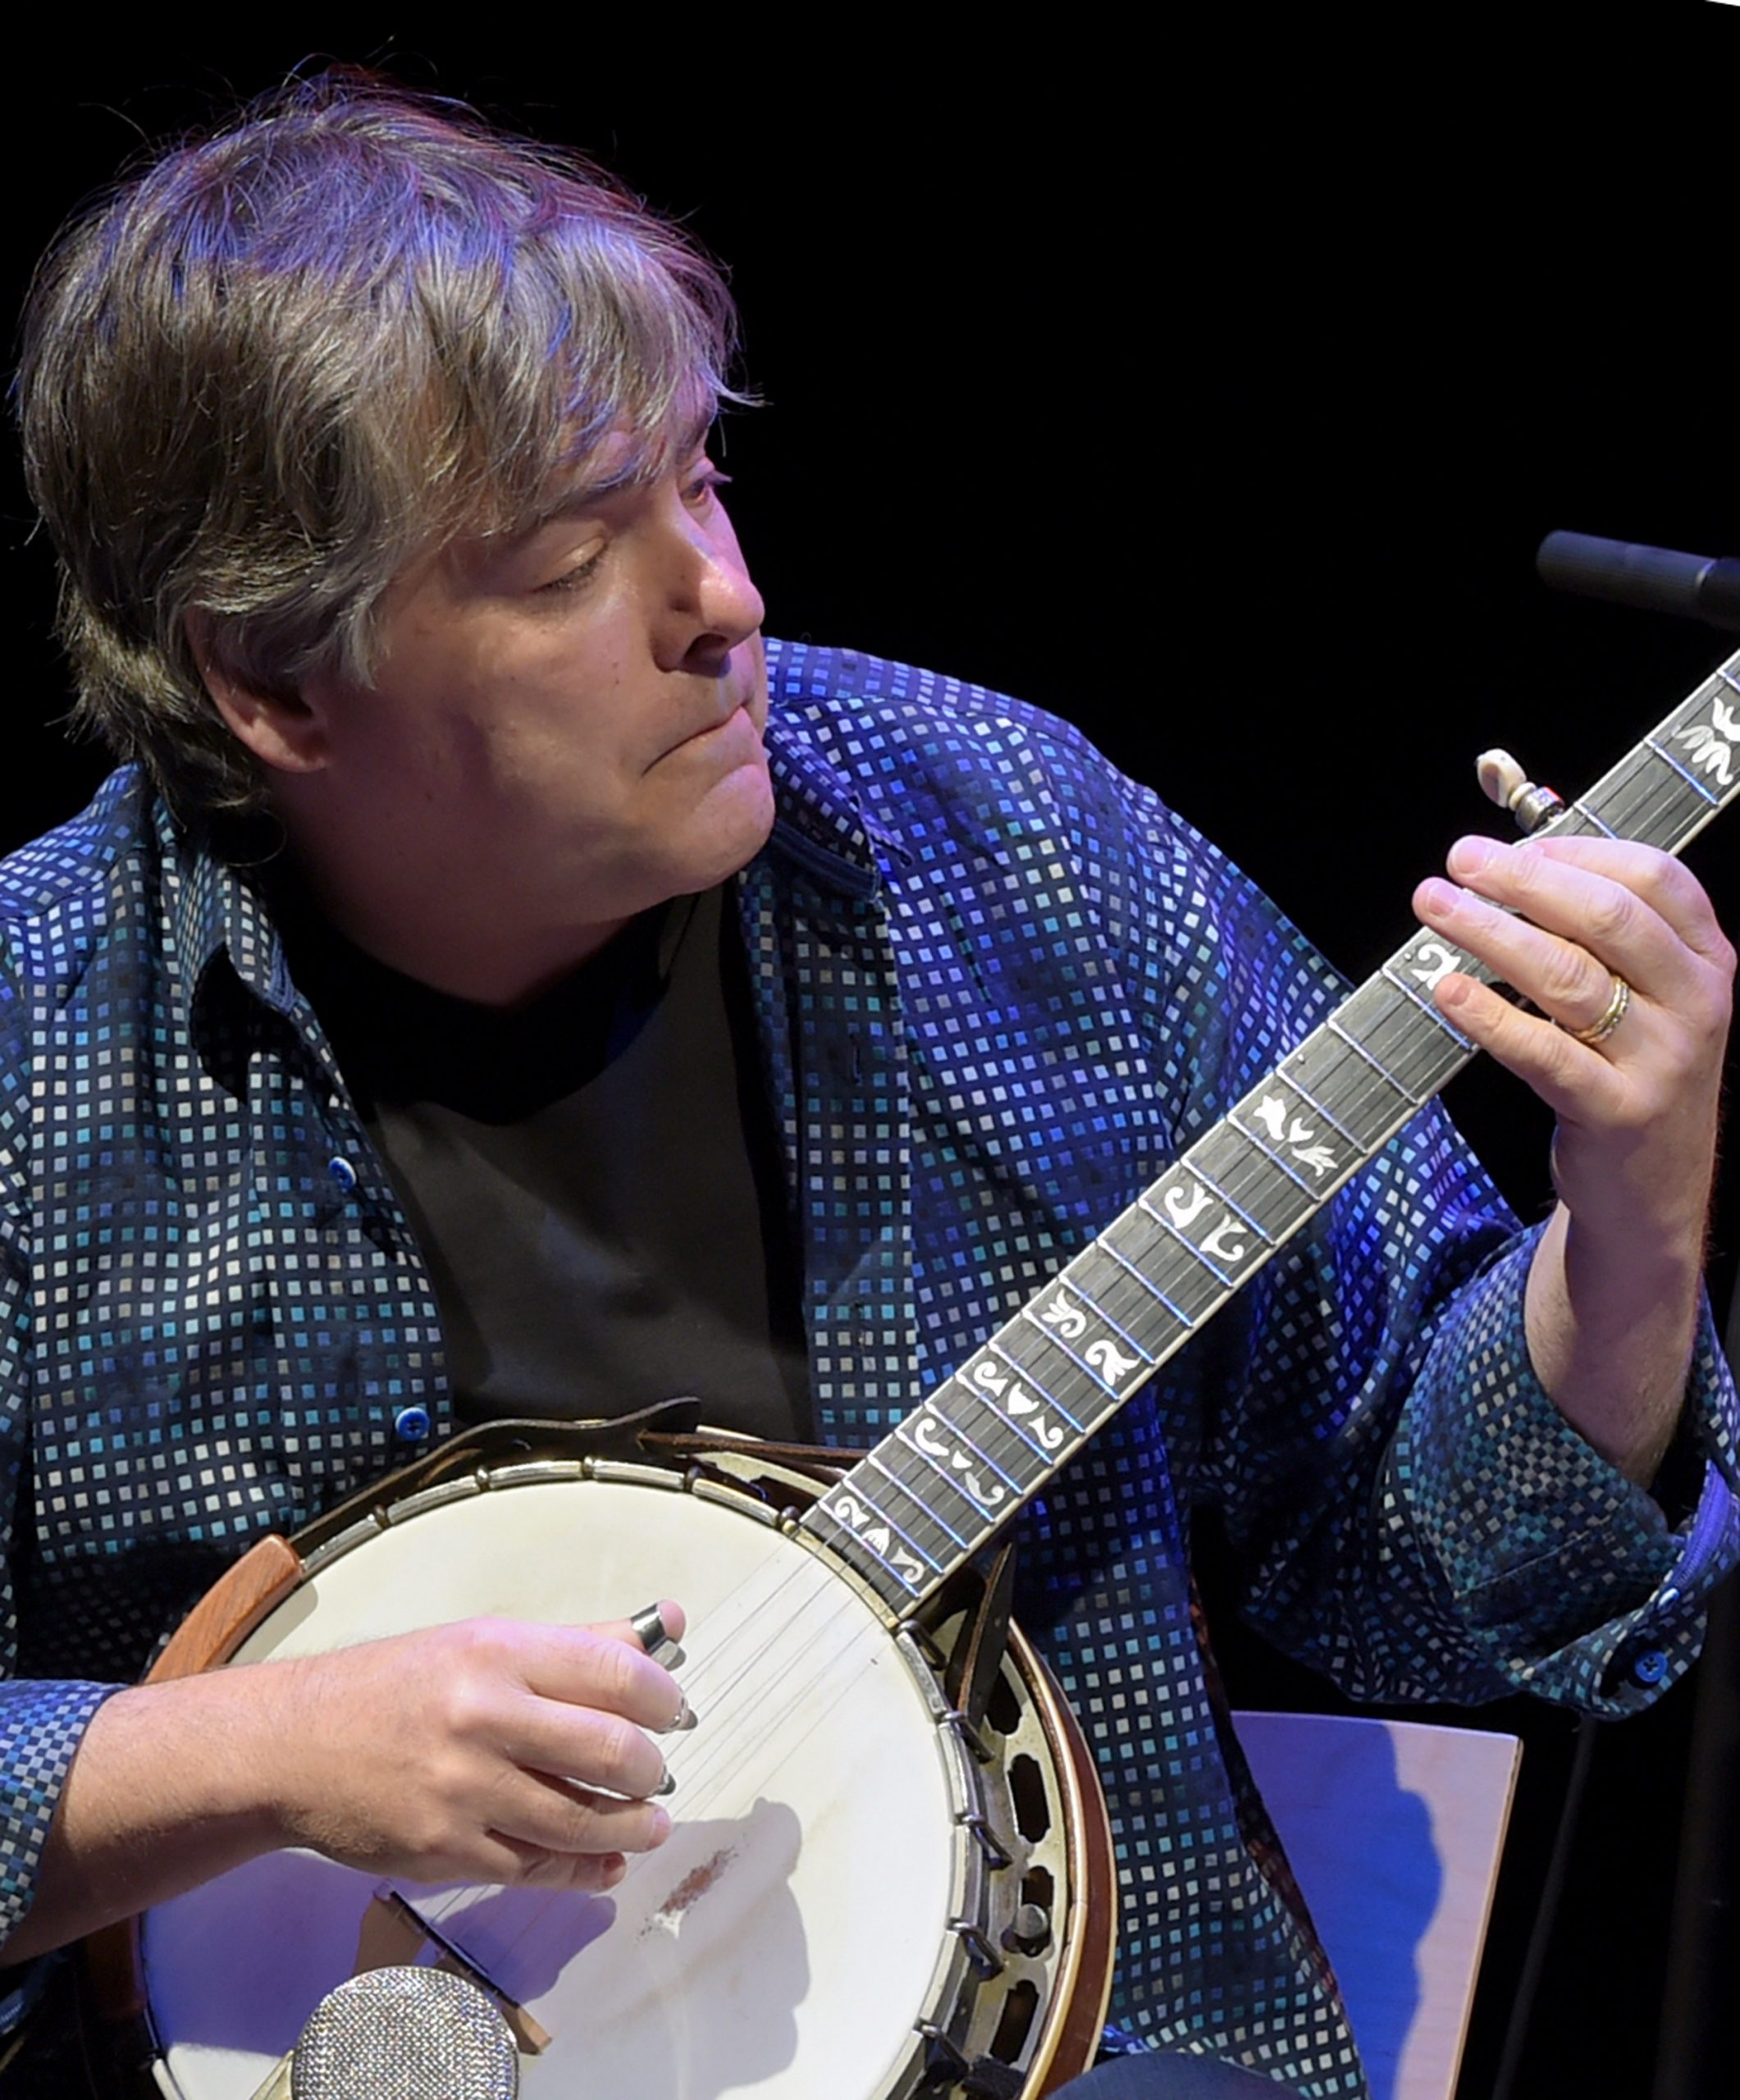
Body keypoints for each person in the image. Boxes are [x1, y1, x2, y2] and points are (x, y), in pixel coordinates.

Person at [1, 74, 1735, 2099]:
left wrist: (1628, 1234)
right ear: (277, 682)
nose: (721, 600)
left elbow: (1450, 1594)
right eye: (573, 560)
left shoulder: (1008, 854)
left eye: (698, 482)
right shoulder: (40, 1047)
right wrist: (240, 1748)